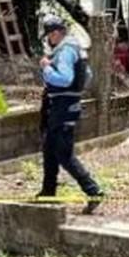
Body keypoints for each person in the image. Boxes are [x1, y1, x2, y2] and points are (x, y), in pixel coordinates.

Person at [38, 14, 103, 213]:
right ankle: (48, 192)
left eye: (49, 36)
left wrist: (47, 69)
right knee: (49, 148)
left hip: (63, 106)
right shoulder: (77, 48)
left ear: (56, 33)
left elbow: (65, 79)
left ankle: (93, 190)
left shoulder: (65, 51)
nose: (48, 40)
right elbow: (88, 75)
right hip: (67, 104)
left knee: (64, 153)